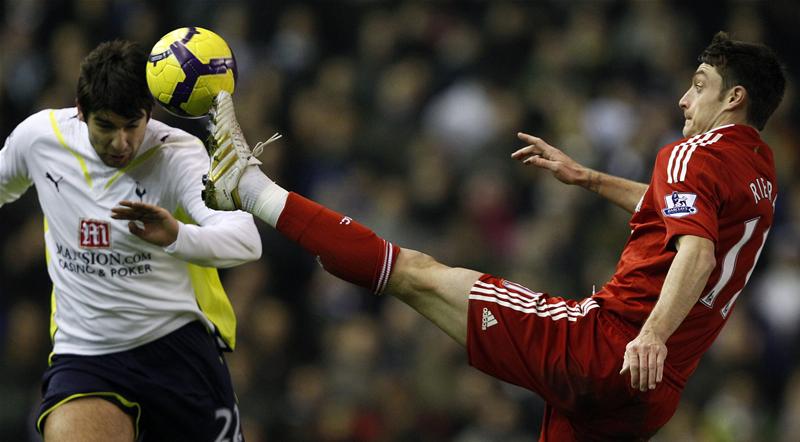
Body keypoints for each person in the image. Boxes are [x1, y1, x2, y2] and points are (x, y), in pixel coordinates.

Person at [202, 31, 785, 440]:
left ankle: (249, 189)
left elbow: (697, 249)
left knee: (415, 273)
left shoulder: (690, 153)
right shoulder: (760, 173)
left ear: (733, 97)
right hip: (651, 395)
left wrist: (652, 333)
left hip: (606, 348)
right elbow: (681, 216)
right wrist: (588, 177)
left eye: (700, 85)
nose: (685, 99)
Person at [0, 40, 262, 441]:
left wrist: (177, 235)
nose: (120, 142)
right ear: (81, 111)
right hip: (86, 353)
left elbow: (247, 241)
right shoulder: (39, 139)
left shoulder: (177, 156)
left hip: (175, 349)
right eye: (105, 126)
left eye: (131, 126)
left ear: (149, 114)